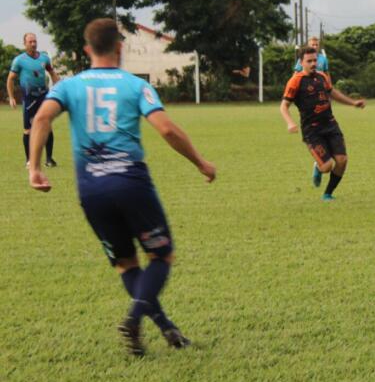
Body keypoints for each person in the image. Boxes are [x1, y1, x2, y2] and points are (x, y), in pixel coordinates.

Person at [28, 18, 217, 356]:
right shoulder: (135, 85)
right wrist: (201, 163)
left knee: (126, 264)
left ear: (87, 49)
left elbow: (41, 118)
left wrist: (35, 168)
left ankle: (167, 328)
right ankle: (134, 317)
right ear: (119, 46)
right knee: (161, 255)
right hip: (131, 184)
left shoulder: (69, 86)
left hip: (91, 191)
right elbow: (167, 129)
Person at [280, 46, 364, 201]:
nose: (313, 64)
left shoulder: (322, 76)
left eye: (315, 60)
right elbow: (284, 106)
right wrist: (290, 123)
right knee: (327, 167)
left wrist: (353, 103)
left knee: (342, 160)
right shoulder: (295, 81)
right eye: (309, 61)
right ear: (301, 62)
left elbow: (333, 93)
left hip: (330, 125)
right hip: (312, 131)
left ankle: (328, 194)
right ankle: (318, 167)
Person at [7, 33, 60, 167]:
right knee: (28, 130)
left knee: (47, 126)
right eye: (30, 42)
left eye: (35, 41)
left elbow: (52, 73)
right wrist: (11, 97)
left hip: (43, 96)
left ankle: (49, 159)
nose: (33, 44)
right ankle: (29, 160)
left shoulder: (44, 58)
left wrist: (57, 89)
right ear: (24, 44)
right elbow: (10, 79)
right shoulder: (19, 60)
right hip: (29, 98)